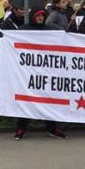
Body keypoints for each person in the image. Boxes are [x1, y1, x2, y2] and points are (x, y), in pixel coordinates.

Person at [14, 10, 67, 139]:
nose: (40, 18)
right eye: (38, 15)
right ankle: (21, 129)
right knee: (27, 100)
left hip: (47, 72)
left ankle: (52, 129)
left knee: (49, 100)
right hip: (28, 72)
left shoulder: (51, 29)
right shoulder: (23, 30)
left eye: (43, 15)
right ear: (33, 17)